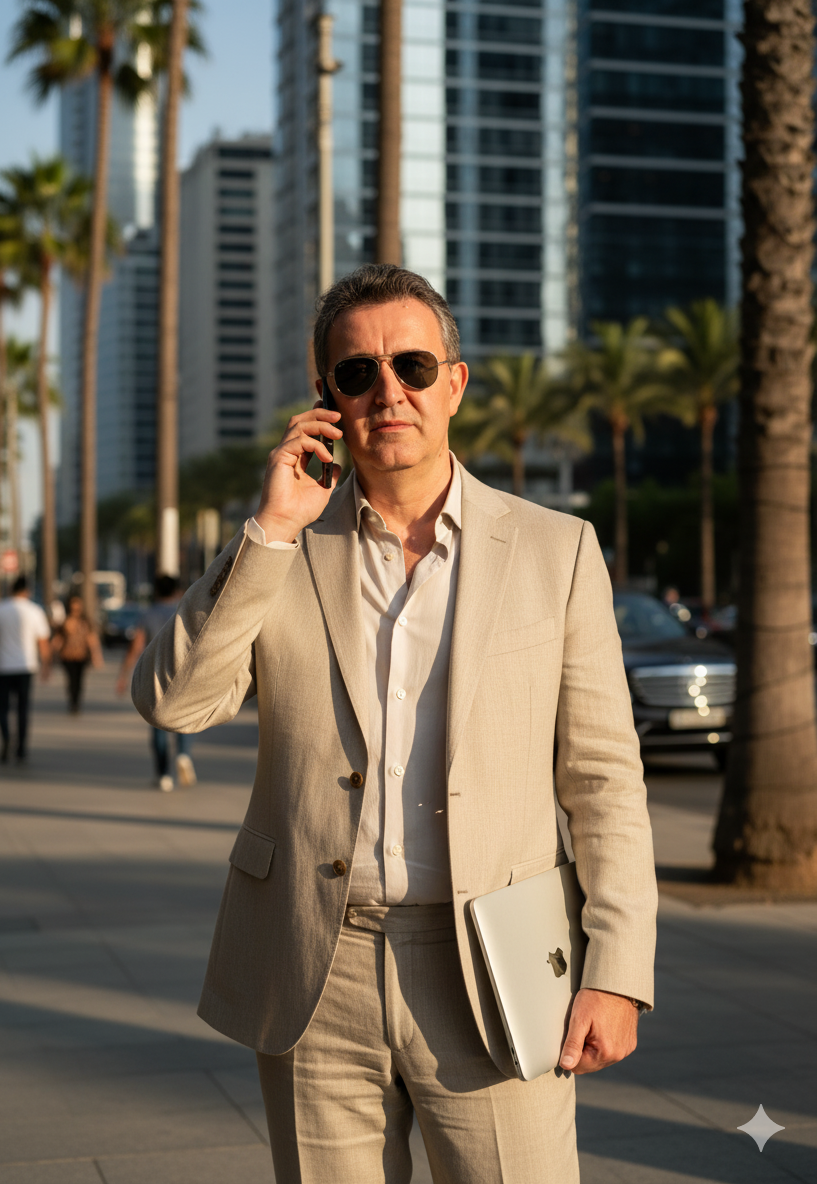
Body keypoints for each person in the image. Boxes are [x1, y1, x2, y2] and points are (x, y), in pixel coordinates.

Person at [132, 265, 657, 1183]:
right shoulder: (282, 546)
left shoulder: (556, 549)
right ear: (327, 398)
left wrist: (615, 970)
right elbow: (175, 702)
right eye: (358, 374)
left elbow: (605, 779)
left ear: (454, 383)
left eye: (413, 366)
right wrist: (271, 528)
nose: (390, 391)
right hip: (313, 963)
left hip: (494, 964)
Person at [117, 575, 196, 792]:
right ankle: (183, 754)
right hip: (184, 674)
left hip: (157, 678)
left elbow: (136, 646)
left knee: (159, 725)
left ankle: (164, 775)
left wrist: (123, 675)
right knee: (184, 719)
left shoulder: (148, 614)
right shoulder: (183, 610)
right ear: (176, 590)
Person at [0, 575, 51, 764]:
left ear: (11, 589)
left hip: (3, 666)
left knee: (2, 706)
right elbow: (43, 642)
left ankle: (6, 737)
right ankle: (21, 747)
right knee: (23, 708)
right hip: (26, 666)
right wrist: (46, 665)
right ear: (27, 590)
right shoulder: (34, 611)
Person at [53, 594, 103, 713]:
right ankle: (72, 701)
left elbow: (92, 640)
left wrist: (96, 656)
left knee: (79, 680)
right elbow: (58, 639)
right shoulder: (65, 622)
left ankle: (76, 702)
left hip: (81, 656)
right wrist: (52, 654)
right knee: (71, 680)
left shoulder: (85, 622)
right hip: (68, 656)